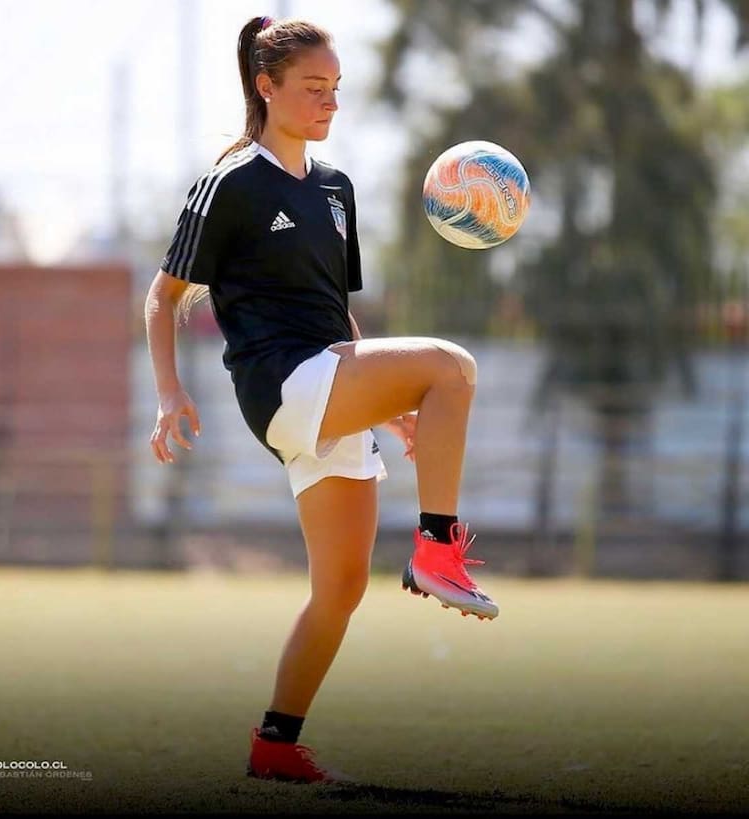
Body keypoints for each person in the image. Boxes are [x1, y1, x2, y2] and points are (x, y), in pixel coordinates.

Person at [144, 14, 499, 785]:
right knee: (454, 365)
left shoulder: (336, 189)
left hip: (327, 381)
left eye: (335, 88)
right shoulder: (231, 180)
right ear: (265, 87)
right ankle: (438, 544)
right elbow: (163, 294)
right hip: (279, 385)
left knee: (339, 589)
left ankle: (275, 741)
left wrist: (383, 398)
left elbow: (335, 312)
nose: (328, 101)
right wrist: (169, 393)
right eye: (312, 88)